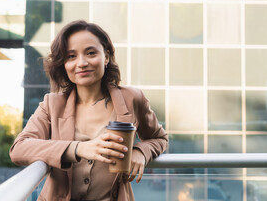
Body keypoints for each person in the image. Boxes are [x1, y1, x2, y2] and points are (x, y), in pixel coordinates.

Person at [9, 20, 168, 201]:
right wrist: (78, 148)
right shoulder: (51, 104)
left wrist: (141, 152)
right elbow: (19, 149)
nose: (82, 63)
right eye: (71, 56)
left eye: (91, 53)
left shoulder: (132, 99)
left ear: (106, 56)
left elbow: (159, 138)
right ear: (63, 64)